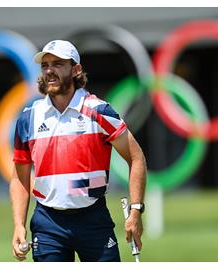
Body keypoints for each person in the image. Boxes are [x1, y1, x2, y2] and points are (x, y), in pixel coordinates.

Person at [10, 39, 147, 262]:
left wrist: (136, 210)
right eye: (45, 65)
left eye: (57, 64)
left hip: (93, 219)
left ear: (76, 70)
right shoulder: (28, 117)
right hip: (48, 223)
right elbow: (19, 177)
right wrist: (18, 225)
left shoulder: (100, 111)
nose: (49, 71)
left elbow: (136, 157)